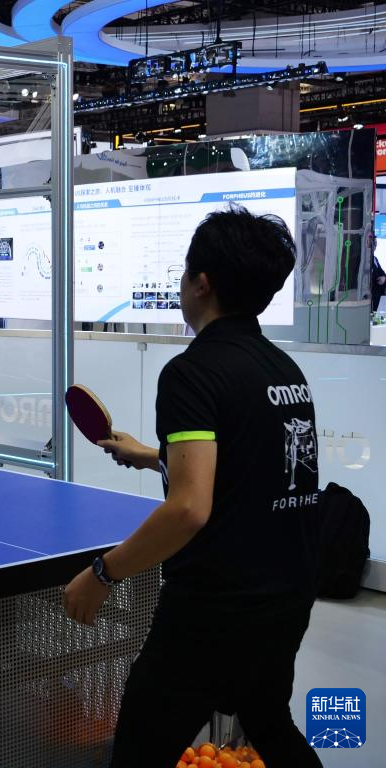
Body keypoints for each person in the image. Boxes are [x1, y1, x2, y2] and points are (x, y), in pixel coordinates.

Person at [63, 206, 323, 768]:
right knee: (270, 723)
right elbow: (253, 464)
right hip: (287, 595)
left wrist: (103, 573)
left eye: (183, 272)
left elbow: (189, 509)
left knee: (139, 750)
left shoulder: (191, 373)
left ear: (201, 284)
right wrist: (152, 455)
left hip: (214, 609)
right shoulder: (284, 371)